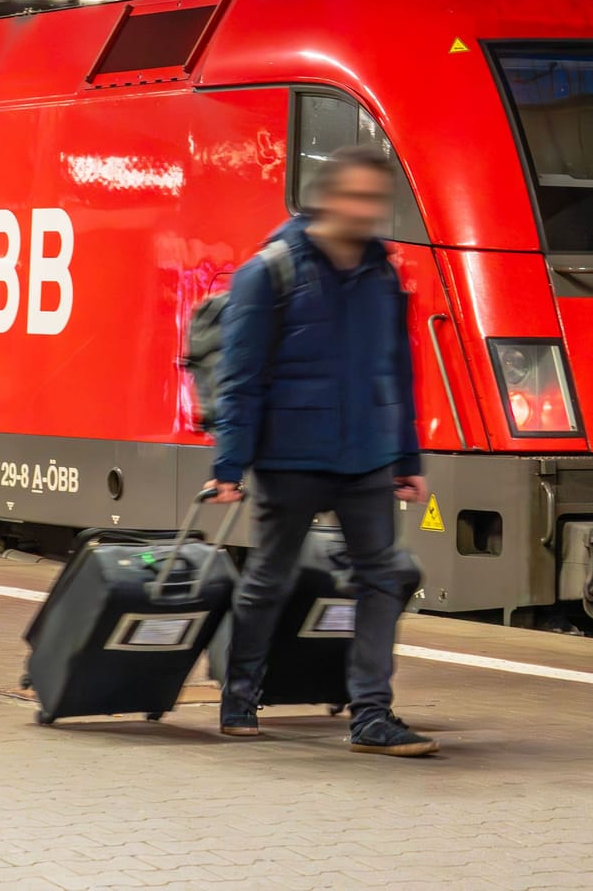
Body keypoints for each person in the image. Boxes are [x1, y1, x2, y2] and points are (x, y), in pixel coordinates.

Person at [205, 145, 437, 758]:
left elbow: (397, 371)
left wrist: (408, 458)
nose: (368, 211)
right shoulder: (271, 271)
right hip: (291, 456)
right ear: (327, 197)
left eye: (376, 200)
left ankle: (371, 715)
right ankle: (239, 697)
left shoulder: (382, 274)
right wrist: (229, 467)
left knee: (382, 579)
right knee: (270, 579)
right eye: (357, 197)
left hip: (366, 458)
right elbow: (241, 378)